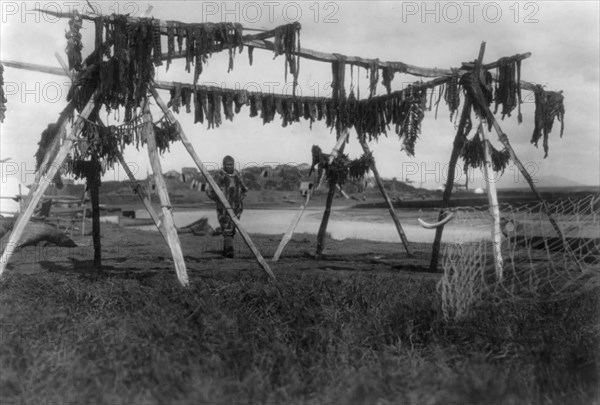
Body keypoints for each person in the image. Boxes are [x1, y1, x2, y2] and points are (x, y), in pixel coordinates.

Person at [206, 155, 248, 258]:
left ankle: (226, 250)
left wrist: (240, 198)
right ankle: (229, 251)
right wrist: (219, 200)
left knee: (232, 228)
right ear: (223, 165)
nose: (230, 167)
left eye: (232, 165)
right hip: (224, 208)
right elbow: (209, 191)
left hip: (236, 207)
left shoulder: (237, 174)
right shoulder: (219, 175)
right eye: (228, 165)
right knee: (226, 228)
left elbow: (244, 188)